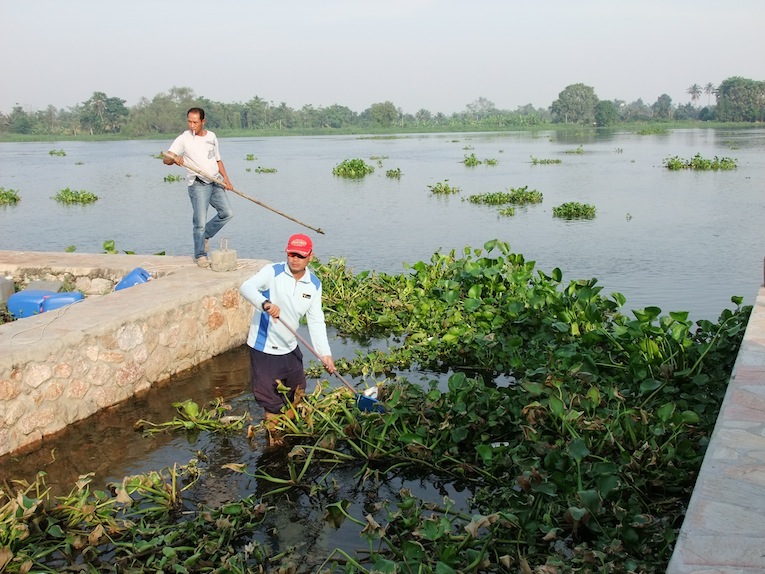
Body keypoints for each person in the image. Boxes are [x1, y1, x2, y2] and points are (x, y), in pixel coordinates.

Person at [239, 234, 336, 436]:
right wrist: (264, 304)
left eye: (300, 256)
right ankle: (275, 441)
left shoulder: (314, 284)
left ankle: (289, 431)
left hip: (290, 347)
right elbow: (246, 287)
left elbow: (316, 320)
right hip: (264, 348)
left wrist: (324, 354)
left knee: (297, 392)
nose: (295, 259)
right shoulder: (272, 272)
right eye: (292, 254)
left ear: (310, 256)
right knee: (271, 402)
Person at [163, 107, 234, 268]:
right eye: (189, 121)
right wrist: (174, 158)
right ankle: (200, 254)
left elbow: (218, 160)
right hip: (198, 184)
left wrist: (226, 179)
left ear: (203, 121)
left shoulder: (211, 137)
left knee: (227, 213)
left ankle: (205, 236)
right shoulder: (184, 138)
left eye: (195, 122)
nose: (192, 125)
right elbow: (165, 159)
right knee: (199, 222)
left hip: (215, 182)